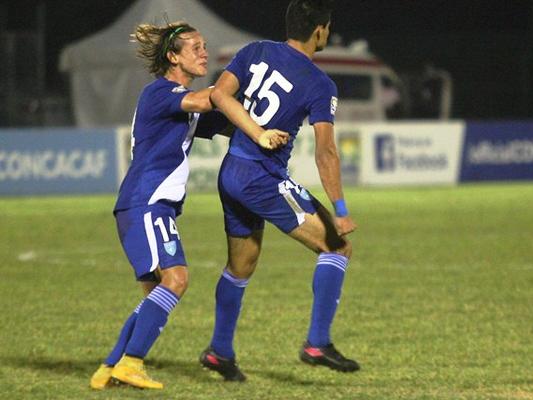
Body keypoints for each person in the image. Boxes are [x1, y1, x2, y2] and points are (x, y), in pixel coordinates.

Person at [89, 21, 287, 390]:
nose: (203, 53)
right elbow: (213, 98)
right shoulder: (159, 93)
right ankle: (132, 363)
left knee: (155, 295)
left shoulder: (186, 104)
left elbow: (227, 117)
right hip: (146, 202)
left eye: (204, 45)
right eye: (195, 47)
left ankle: (111, 367)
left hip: (150, 206)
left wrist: (273, 113)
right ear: (172, 56)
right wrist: (237, 79)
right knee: (177, 279)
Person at [200, 0, 360, 382]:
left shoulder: (254, 51)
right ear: (320, 29)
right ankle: (317, 343)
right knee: (337, 246)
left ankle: (219, 352)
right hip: (262, 177)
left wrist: (248, 131)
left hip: (232, 172)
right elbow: (326, 152)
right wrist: (339, 208)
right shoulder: (320, 83)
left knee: (242, 265)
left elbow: (218, 95)